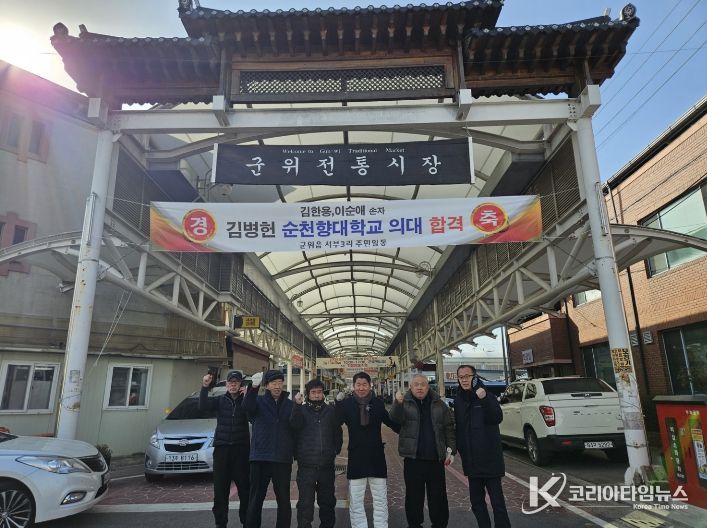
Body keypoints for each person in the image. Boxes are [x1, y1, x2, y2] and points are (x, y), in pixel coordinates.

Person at [390, 374, 456, 528]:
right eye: (416, 385)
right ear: (411, 387)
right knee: (413, 497)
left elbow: (449, 428)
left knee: (438, 496)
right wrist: (397, 403)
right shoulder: (404, 403)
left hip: (435, 459)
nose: (419, 387)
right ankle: (414, 525)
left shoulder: (439, 404)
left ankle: (439, 524)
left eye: (423, 384)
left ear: (428, 387)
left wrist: (451, 451)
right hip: (413, 459)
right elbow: (395, 419)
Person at [336, 371, 400, 528]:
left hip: (376, 457)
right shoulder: (346, 405)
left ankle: (381, 525)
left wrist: (400, 407)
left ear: (370, 386)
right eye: (358, 384)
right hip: (356, 457)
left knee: (380, 499)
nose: (361, 388)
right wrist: (337, 404)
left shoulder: (377, 404)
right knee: (356, 500)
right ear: (353, 386)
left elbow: (392, 423)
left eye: (364, 384)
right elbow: (334, 424)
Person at [453, 365, 511, 528]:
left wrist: (484, 399)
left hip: (490, 459)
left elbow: (496, 418)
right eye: (461, 377)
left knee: (497, 503)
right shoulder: (458, 400)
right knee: (477, 502)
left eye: (467, 376)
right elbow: (459, 428)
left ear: (475, 377)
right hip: (471, 461)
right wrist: (457, 449)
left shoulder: (487, 395)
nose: (464, 380)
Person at [200, 370, 250, 528]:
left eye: (236, 382)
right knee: (220, 491)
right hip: (222, 450)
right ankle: (221, 523)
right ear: (227, 384)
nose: (233, 385)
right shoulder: (220, 400)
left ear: (240, 384)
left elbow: (253, 412)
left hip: (241, 450)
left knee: (245, 490)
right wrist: (205, 387)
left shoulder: (245, 401)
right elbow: (203, 406)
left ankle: (246, 521)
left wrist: (249, 396)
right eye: (230, 382)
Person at [243, 369, 294, 528]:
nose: (277, 386)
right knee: (256, 498)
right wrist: (253, 388)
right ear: (267, 385)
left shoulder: (290, 404)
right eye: (273, 383)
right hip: (260, 457)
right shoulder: (258, 401)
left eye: (280, 382)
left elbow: (296, 428)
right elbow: (247, 408)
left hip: (282, 458)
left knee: (284, 499)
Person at [290, 378, 343, 528]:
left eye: (319, 392)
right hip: (306, 466)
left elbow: (337, 432)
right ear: (308, 394)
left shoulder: (330, 411)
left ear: (323, 393)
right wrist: (296, 405)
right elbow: (294, 425)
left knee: (327, 502)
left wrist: (335, 450)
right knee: (305, 504)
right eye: (313, 392)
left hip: (326, 466)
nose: (317, 395)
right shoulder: (301, 410)